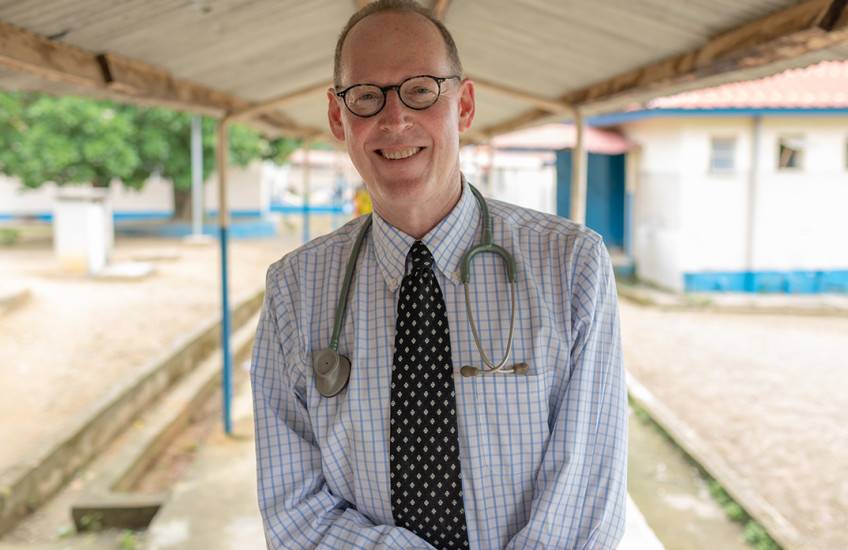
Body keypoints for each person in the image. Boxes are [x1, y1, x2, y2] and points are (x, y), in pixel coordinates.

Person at [250, 1, 628, 548]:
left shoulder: (570, 267)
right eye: (366, 96)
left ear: (464, 104)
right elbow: (293, 507)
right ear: (338, 117)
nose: (394, 119)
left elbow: (586, 493)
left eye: (421, 90)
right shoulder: (295, 289)